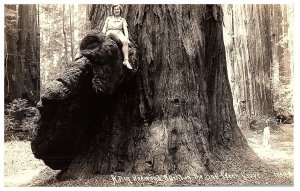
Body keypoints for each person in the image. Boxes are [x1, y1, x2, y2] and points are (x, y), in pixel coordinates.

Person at [102, 4, 133, 69]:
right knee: (110, 33)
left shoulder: (122, 20)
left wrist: (127, 38)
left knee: (125, 41)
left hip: (119, 34)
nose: (116, 10)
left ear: (120, 10)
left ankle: (126, 60)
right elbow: (105, 28)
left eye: (118, 9)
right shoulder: (109, 18)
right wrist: (102, 35)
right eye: (115, 9)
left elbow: (125, 30)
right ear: (113, 10)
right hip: (109, 33)